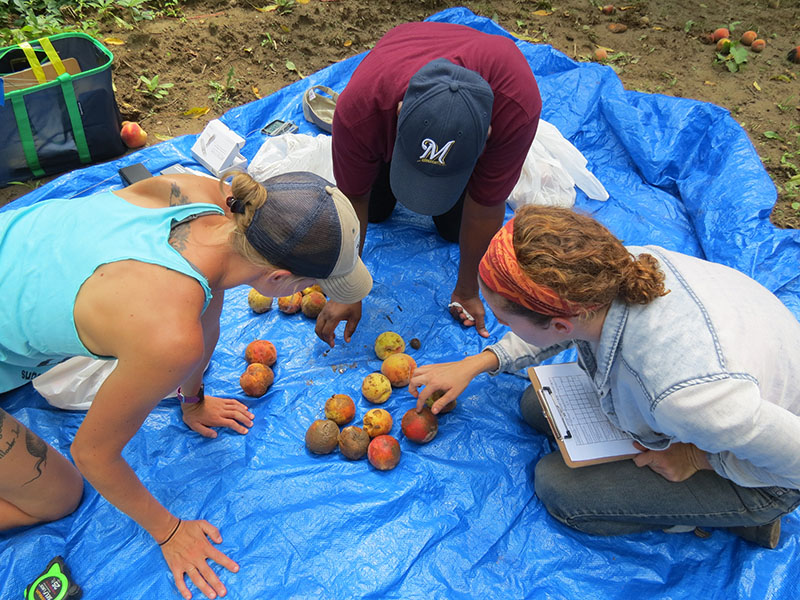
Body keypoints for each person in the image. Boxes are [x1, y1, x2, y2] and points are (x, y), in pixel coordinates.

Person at [0, 171, 372, 599]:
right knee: (59, 497)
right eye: (312, 286)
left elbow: (207, 316)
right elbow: (91, 454)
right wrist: (169, 530)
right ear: (279, 280)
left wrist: (192, 400)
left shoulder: (207, 196)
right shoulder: (169, 337)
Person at [409, 205, 800, 548]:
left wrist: (696, 457)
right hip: (737, 379)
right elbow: (548, 325)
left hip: (773, 469)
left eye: (502, 319)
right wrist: (480, 362)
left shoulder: (679, 394)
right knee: (534, 404)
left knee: (560, 489)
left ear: (561, 325)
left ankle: (746, 517)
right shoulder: (613, 266)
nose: (497, 325)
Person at [315, 21, 542, 346]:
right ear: (399, 112)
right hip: (400, 62)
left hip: (481, 107)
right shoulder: (362, 108)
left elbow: (486, 205)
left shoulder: (515, 108)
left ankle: (443, 179)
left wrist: (468, 289)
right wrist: (348, 284)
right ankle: (397, 165)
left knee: (454, 230)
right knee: (375, 210)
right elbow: (352, 200)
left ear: (487, 138)